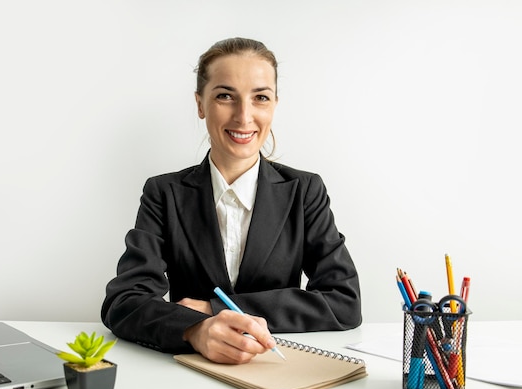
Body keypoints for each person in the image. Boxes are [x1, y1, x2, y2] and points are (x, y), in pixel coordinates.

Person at [101, 37, 361, 365]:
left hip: (276, 370)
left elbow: (344, 302)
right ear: (200, 104)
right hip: (189, 378)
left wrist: (215, 309)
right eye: (225, 96)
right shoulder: (164, 193)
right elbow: (123, 302)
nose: (243, 116)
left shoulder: (304, 190)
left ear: (274, 105)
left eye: (260, 98)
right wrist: (194, 331)